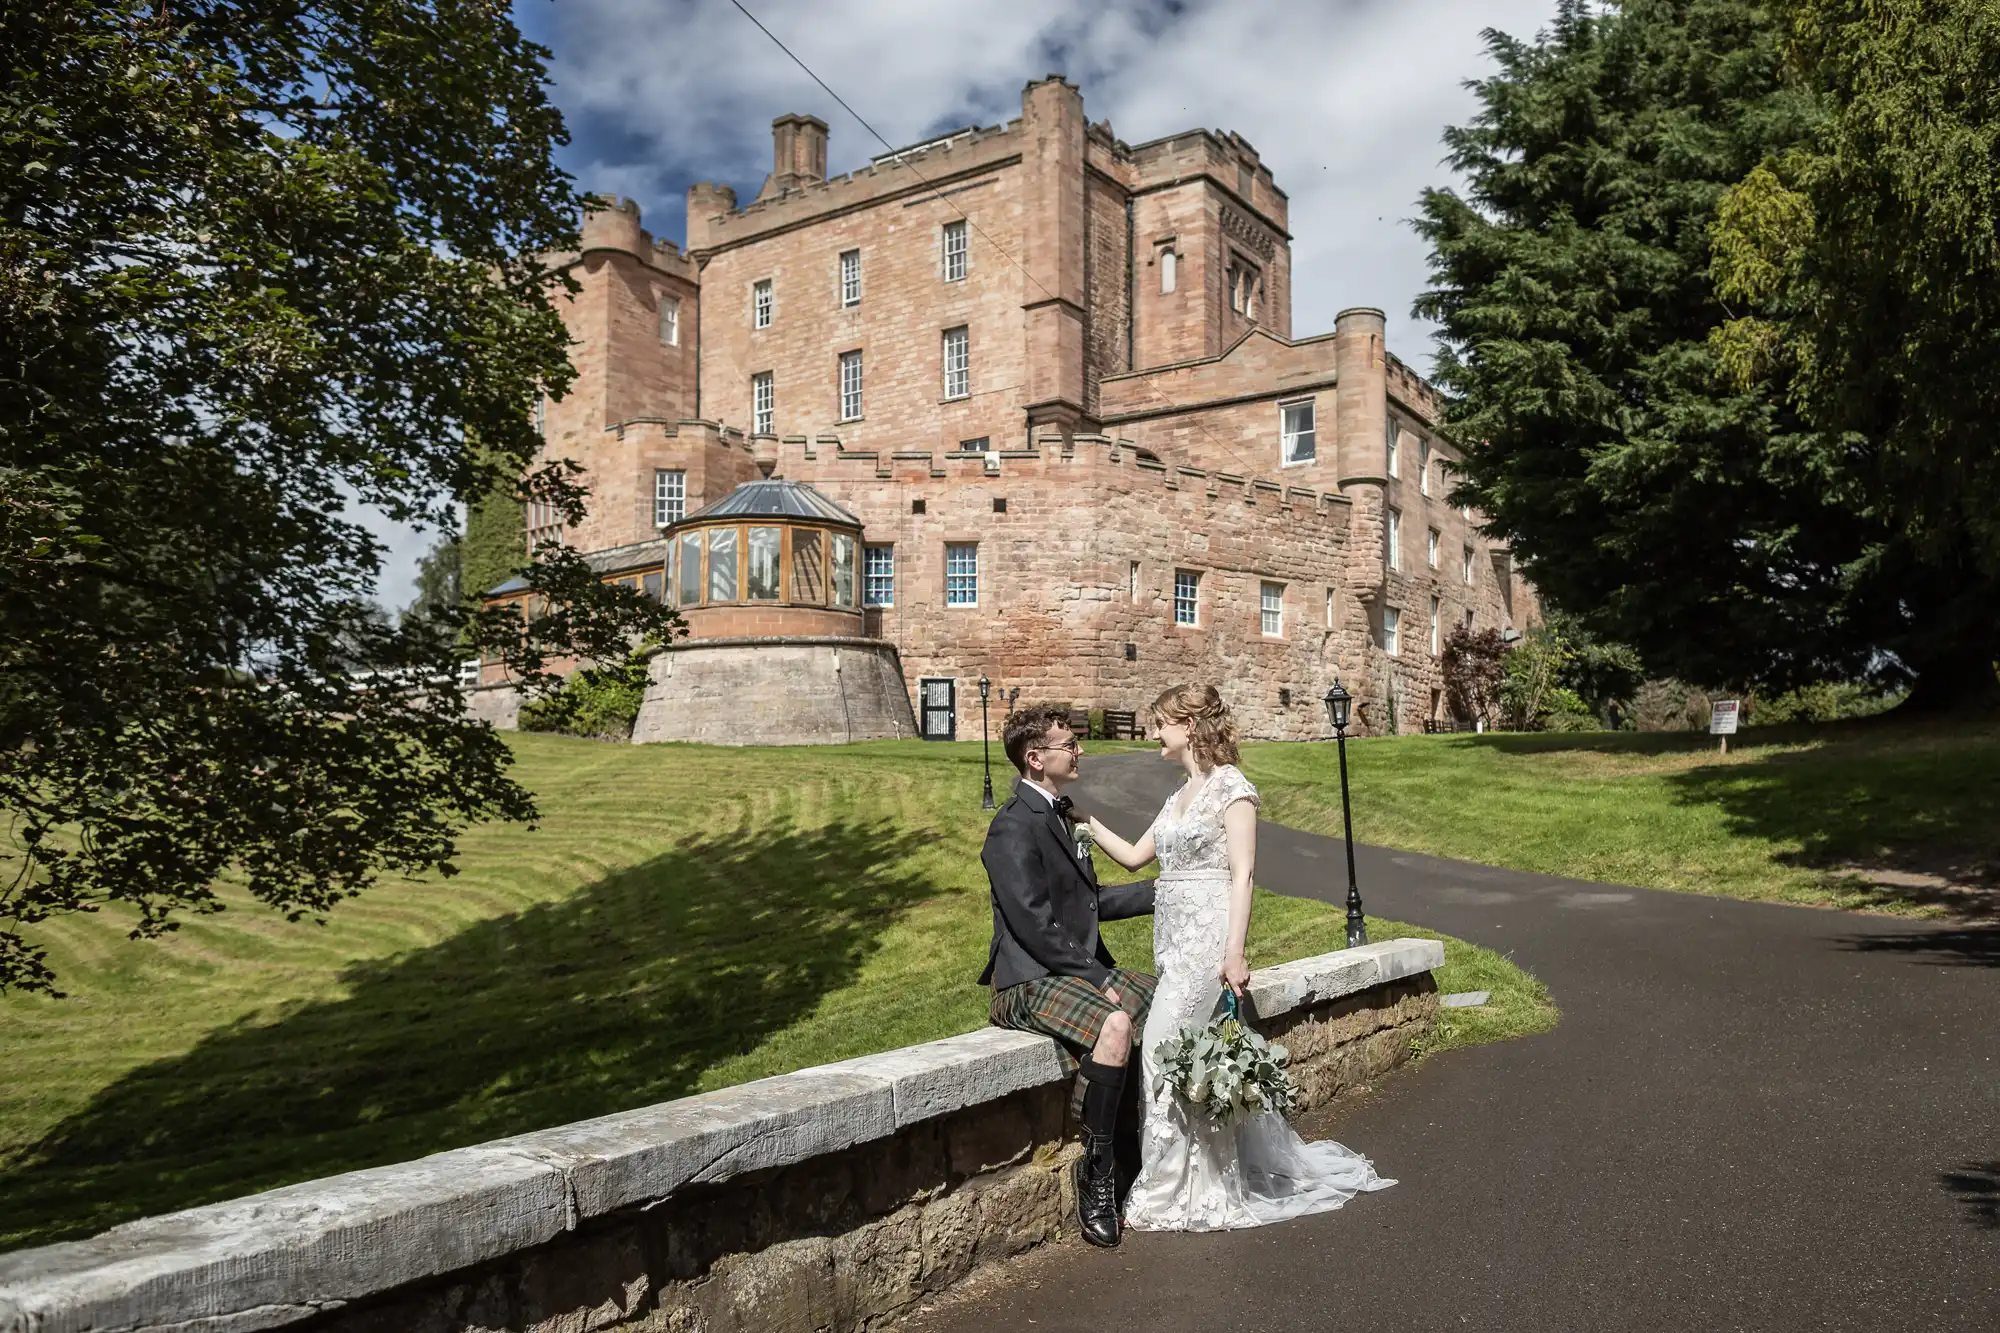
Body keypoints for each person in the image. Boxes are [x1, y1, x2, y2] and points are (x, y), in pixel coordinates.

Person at [1085, 683, 1394, 1231]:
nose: (1155, 732)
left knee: (1159, 1048)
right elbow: (1136, 858)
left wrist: (1234, 952)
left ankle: (1173, 1189)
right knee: (1180, 1058)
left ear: (1190, 726)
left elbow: (1244, 874)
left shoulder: (1233, 789)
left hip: (1208, 942)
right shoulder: (1178, 795)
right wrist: (1084, 824)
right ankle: (1192, 1178)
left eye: (1162, 723)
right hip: (1173, 946)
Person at [980, 705, 1157, 1248]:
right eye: (1069, 744)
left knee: (1167, 1001)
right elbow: (1034, 922)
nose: (1080, 750)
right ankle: (1099, 1170)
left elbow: (1088, 902)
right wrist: (1095, 977)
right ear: (1036, 760)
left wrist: (1165, 892)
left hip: (1068, 972)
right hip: (1028, 982)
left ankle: (1145, 1146)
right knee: (1114, 1026)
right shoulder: (1010, 827)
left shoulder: (1062, 817)